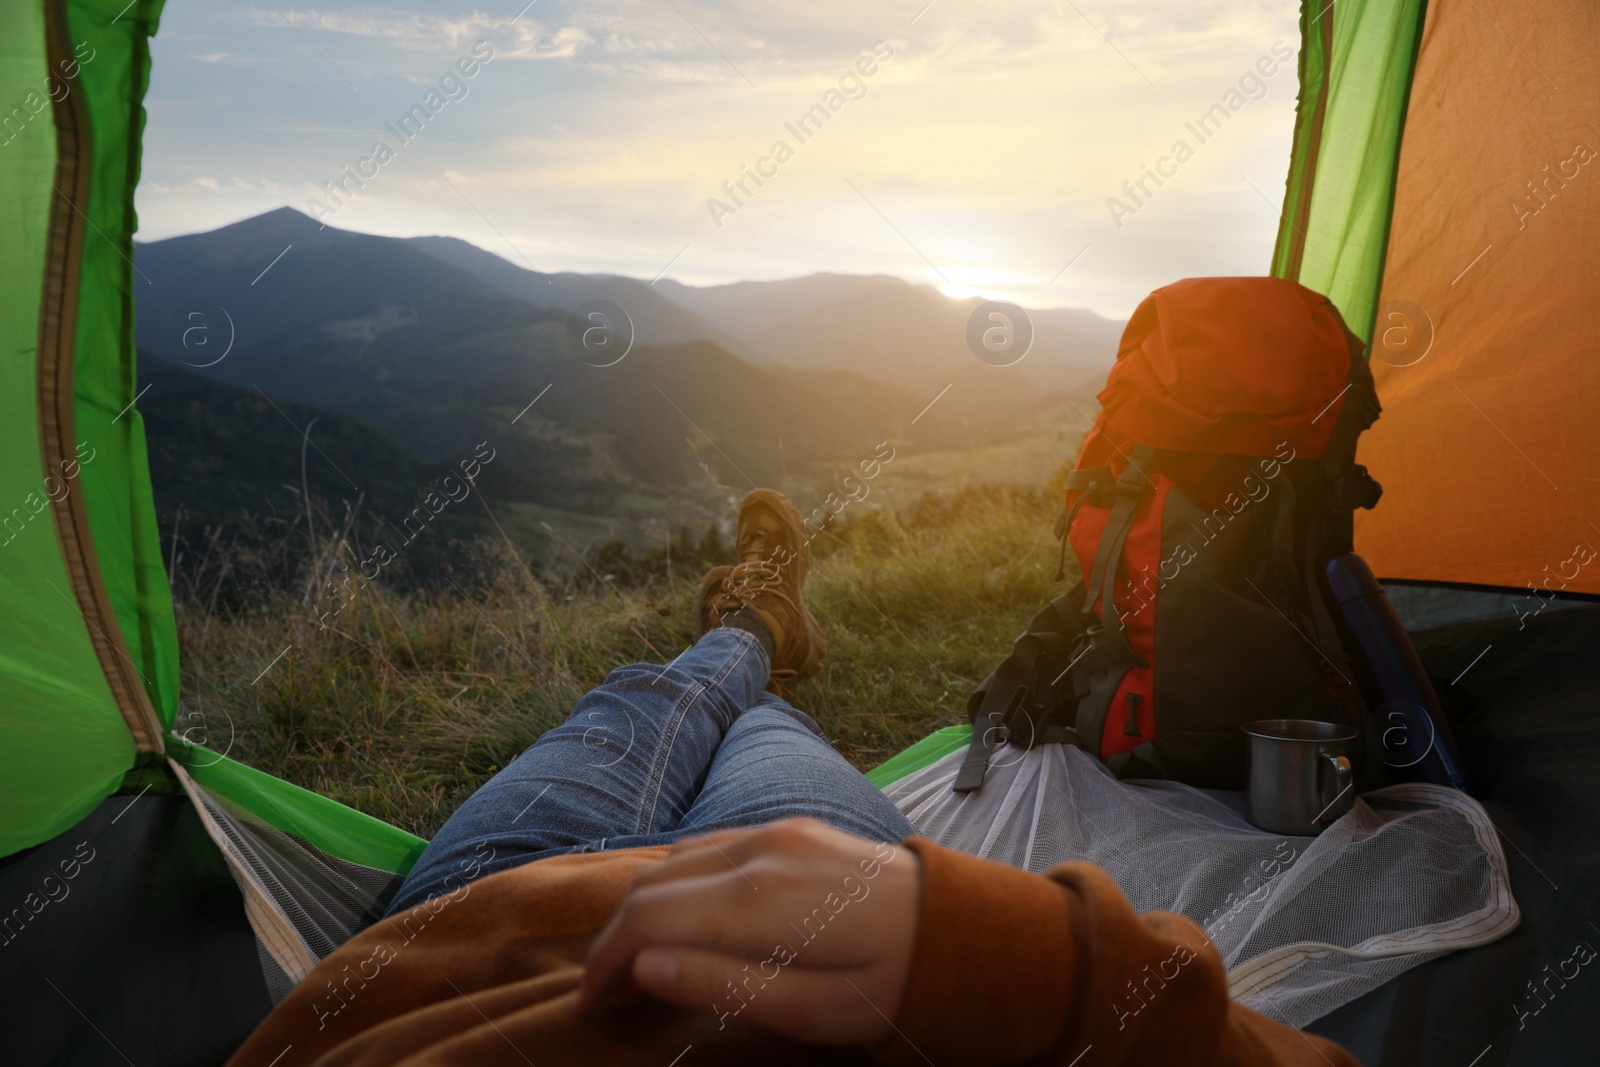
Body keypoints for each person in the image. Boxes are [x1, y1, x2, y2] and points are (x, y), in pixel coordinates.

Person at [227, 490, 1356, 1066]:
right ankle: (760, 642)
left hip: (472, 943)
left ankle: (750, 630)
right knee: (759, 736)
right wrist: (1002, 958)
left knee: (634, 701)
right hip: (840, 972)